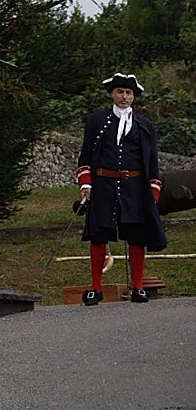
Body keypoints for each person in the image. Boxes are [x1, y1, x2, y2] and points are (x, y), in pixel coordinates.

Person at [75, 72, 167, 305]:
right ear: (112, 94)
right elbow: (86, 155)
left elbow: (153, 163)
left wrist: (152, 193)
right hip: (103, 184)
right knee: (99, 235)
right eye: (120, 92)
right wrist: (86, 184)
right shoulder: (96, 121)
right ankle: (96, 288)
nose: (124, 97)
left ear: (133, 96)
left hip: (135, 186)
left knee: (136, 235)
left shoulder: (145, 126)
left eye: (128, 93)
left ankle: (138, 287)